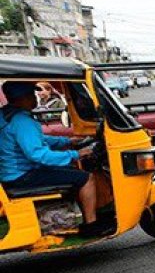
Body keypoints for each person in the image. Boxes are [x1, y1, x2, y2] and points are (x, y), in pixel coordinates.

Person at [0, 81, 105, 236]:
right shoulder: (22, 121)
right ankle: (91, 226)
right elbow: (38, 155)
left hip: (11, 173)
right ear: (21, 97)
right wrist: (75, 154)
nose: (35, 98)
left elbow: (35, 139)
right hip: (22, 175)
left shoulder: (6, 115)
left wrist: (67, 141)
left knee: (71, 171)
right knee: (86, 178)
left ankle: (76, 216)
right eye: (31, 94)